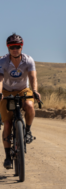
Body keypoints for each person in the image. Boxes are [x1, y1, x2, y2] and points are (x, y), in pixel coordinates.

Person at [0, 33, 41, 169]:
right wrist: (0, 93)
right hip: (6, 91)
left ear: (21, 47)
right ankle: (7, 156)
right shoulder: (3, 61)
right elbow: (0, 79)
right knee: (6, 123)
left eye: (17, 46)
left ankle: (27, 131)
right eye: (12, 47)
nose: (15, 49)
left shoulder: (28, 60)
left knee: (29, 105)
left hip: (23, 89)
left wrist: (35, 91)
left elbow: (33, 77)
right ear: (8, 48)